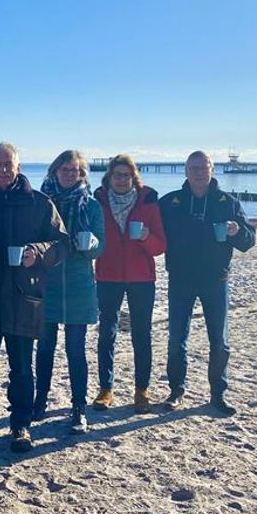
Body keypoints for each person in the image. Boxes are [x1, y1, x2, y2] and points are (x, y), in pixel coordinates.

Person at [0, 142, 67, 453]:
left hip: (23, 298)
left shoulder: (40, 204)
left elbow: (62, 243)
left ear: (18, 167)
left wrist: (39, 252)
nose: (3, 169)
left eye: (8, 164)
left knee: (21, 368)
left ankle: (20, 425)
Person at [159, 151, 256, 415]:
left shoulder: (228, 203)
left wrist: (237, 232)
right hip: (180, 278)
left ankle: (217, 394)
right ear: (186, 171)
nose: (198, 172)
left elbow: (249, 240)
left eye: (203, 167)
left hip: (216, 279)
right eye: (193, 167)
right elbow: (154, 233)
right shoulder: (171, 202)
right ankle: (176, 391)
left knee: (219, 341)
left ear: (212, 169)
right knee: (177, 338)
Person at [33, 150, 105, 433]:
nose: (69, 174)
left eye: (74, 170)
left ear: (82, 174)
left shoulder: (91, 205)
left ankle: (79, 408)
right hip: (47, 284)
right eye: (64, 169)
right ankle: (39, 402)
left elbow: (102, 247)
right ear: (54, 172)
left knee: (76, 350)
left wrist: (92, 245)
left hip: (79, 285)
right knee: (44, 349)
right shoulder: (42, 203)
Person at [92, 154, 166, 413]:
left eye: (126, 175)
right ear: (109, 177)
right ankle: (106, 388)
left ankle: (142, 390)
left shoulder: (148, 202)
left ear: (133, 177)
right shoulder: (98, 202)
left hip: (141, 279)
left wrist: (146, 237)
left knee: (141, 335)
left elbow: (160, 246)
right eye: (117, 175)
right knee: (106, 334)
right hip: (108, 277)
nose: (122, 180)